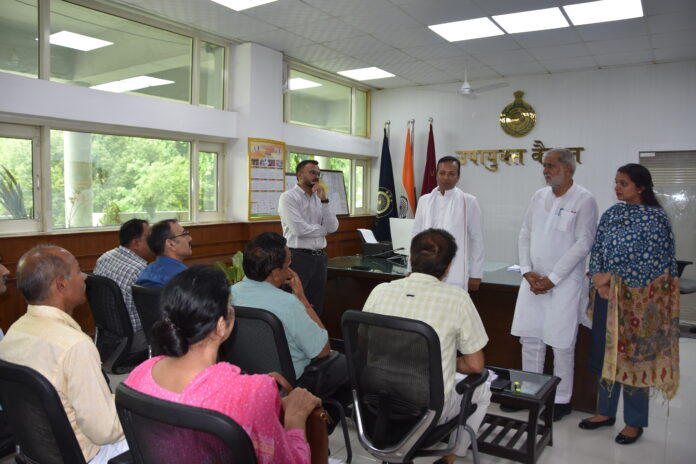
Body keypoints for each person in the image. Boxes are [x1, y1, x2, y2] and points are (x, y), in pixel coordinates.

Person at [125, 266, 319, 463]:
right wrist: (295, 417)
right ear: (220, 326)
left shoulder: (141, 372)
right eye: (230, 308)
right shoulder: (253, 392)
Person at [362, 228, 490, 463]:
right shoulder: (457, 298)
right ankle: (452, 456)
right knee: (483, 387)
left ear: (410, 260)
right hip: (428, 411)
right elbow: (475, 365)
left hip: (373, 404)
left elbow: (366, 346)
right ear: (448, 267)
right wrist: (440, 360)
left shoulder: (379, 291)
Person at [579, 163, 679, 445]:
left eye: (623, 183)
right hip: (606, 298)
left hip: (639, 303)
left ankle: (634, 423)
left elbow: (654, 263)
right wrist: (599, 282)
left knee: (634, 360)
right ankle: (605, 413)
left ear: (641, 187)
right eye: (616, 182)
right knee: (604, 355)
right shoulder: (612, 214)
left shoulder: (656, 219)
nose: (617, 188)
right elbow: (597, 249)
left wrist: (612, 277)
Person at [0, 245, 127, 463]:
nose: (85, 277)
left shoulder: (14, 332)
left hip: (45, 453)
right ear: (61, 284)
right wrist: (138, 401)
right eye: (78, 271)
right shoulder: (75, 346)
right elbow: (105, 431)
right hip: (89, 456)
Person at [510, 149, 598, 420]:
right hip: (533, 281)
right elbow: (525, 233)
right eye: (544, 166)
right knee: (531, 339)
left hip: (564, 284)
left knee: (561, 343)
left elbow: (584, 243)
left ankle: (561, 400)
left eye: (551, 166)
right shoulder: (539, 197)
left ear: (568, 169)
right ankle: (528, 393)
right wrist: (526, 270)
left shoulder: (584, 200)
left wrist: (553, 278)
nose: (546, 171)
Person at [231, 232, 347, 397]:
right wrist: (303, 299)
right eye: (288, 265)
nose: (290, 271)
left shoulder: (228, 294)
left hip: (244, 379)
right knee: (344, 365)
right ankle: (321, 421)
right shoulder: (288, 303)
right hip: (288, 384)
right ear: (276, 273)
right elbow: (323, 350)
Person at [412, 156, 483, 292]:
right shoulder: (424, 201)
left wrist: (476, 274)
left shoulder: (469, 202)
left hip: (455, 271)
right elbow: (415, 235)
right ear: (436, 174)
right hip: (425, 270)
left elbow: (476, 239)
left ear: (458, 177)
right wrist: (411, 268)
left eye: (451, 174)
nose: (446, 177)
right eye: (442, 173)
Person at [278, 160, 339, 315]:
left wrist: (324, 200)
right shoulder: (288, 198)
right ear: (299, 175)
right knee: (293, 304)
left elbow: (333, 227)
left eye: (318, 173)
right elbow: (299, 229)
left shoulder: (320, 198)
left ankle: (313, 338)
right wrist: (323, 230)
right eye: (312, 172)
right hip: (298, 258)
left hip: (320, 258)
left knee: (315, 305)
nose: (316, 176)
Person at [94, 218, 152, 348]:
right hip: (133, 339)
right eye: (150, 237)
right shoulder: (139, 269)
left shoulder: (104, 257)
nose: (154, 241)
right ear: (136, 243)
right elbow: (150, 315)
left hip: (108, 335)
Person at [136, 219, 191, 287]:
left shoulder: (144, 274)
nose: (190, 238)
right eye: (184, 234)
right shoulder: (186, 279)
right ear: (171, 244)